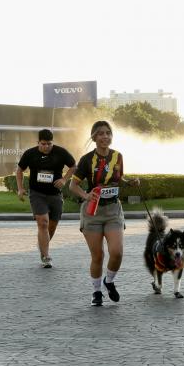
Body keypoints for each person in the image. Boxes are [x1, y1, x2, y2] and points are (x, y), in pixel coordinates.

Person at [69, 121, 139, 306]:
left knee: (117, 252)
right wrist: (86, 195)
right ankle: (96, 292)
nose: (105, 136)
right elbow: (73, 185)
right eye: (100, 133)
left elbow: (118, 177)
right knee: (98, 255)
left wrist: (129, 182)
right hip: (93, 212)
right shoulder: (86, 160)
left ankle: (109, 281)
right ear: (94, 137)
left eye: (108, 133)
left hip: (113, 210)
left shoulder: (118, 157)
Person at [16, 129, 76, 268]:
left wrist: (64, 179)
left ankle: (42, 244)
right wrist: (20, 188)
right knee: (43, 223)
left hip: (55, 194)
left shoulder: (61, 152)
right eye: (43, 144)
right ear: (38, 142)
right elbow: (19, 170)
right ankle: (46, 256)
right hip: (37, 194)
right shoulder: (30, 154)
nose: (46, 147)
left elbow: (73, 166)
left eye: (49, 144)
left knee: (52, 225)